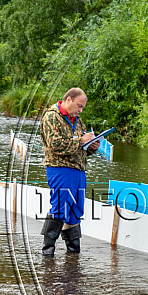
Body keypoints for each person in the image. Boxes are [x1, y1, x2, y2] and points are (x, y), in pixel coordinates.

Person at [39, 88, 100, 256]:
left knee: (75, 210)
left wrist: (92, 146)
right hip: (59, 168)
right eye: (79, 106)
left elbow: (81, 147)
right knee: (60, 208)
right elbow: (55, 145)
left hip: (78, 169)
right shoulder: (51, 117)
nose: (80, 110)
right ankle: (48, 251)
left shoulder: (77, 120)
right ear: (68, 100)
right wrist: (80, 140)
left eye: (82, 107)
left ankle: (73, 253)